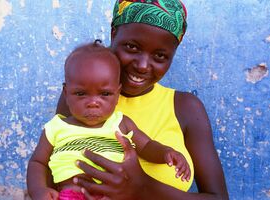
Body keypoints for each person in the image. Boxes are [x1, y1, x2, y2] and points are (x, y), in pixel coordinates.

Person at [56, 0, 229, 199]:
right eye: (132, 47)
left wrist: (144, 187)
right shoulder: (82, 99)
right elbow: (51, 172)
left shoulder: (186, 108)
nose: (143, 65)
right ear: (113, 33)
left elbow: (219, 197)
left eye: (160, 56)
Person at [27, 41, 191, 200]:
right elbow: (38, 162)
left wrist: (166, 153)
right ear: (66, 92)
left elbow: (147, 146)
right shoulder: (56, 127)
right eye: (81, 93)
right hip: (72, 195)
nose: (93, 103)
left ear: (117, 94)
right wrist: (39, 191)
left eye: (104, 94)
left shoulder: (121, 123)